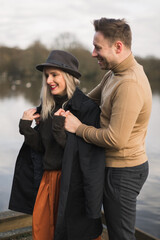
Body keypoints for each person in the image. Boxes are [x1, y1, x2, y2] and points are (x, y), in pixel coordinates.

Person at [61, 18, 152, 240]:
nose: (93, 53)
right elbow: (88, 102)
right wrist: (61, 106)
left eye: (98, 47)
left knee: (121, 236)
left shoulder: (129, 84)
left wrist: (78, 127)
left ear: (118, 47)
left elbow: (115, 139)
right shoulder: (114, 73)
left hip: (123, 172)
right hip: (111, 167)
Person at [9, 50, 105, 240]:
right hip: (47, 180)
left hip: (73, 183)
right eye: (46, 75)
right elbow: (42, 148)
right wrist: (26, 128)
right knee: (43, 231)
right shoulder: (47, 105)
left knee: (73, 233)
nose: (48, 80)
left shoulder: (87, 108)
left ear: (68, 77)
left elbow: (88, 156)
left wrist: (60, 130)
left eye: (54, 75)